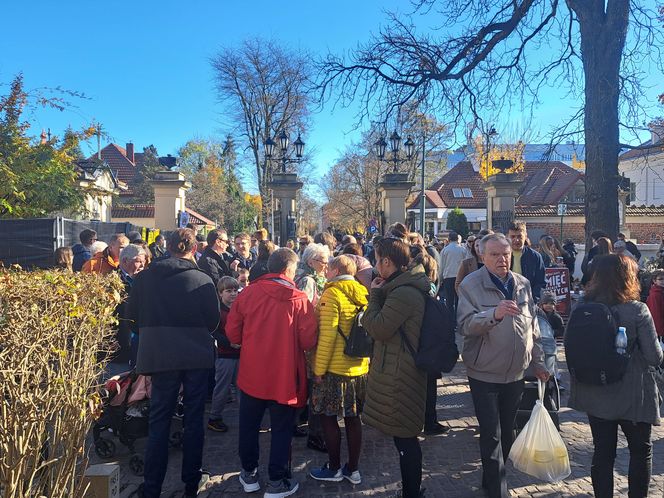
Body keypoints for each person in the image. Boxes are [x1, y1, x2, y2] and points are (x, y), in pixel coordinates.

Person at [128, 228, 219, 498]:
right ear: (193, 249)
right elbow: (213, 322)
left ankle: (152, 486)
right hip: (195, 356)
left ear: (167, 247)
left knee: (159, 420)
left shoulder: (145, 279)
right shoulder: (201, 278)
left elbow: (131, 317)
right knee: (193, 419)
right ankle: (192, 480)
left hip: (159, 354)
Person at [457, 233, 548, 498]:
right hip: (484, 372)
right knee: (491, 434)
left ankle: (490, 481)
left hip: (516, 373)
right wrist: (493, 315)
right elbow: (464, 325)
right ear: (482, 256)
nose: (502, 259)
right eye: (495, 254)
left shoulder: (523, 284)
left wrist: (539, 363)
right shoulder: (471, 285)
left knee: (507, 433)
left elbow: (533, 328)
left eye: (505, 254)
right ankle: (498, 491)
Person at [226, 248, 318, 497]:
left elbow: (232, 332)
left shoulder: (249, 293)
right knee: (281, 430)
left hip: (252, 373)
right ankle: (276, 481)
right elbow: (308, 340)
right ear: (288, 269)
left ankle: (249, 473)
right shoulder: (299, 299)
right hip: (285, 375)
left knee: (248, 426)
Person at [569, 254, 663, 497]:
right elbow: (654, 357)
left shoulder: (582, 306)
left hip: (595, 391)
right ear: (628, 278)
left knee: (602, 452)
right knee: (641, 451)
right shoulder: (637, 310)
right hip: (632, 394)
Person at [361, 238, 430, 498]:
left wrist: (374, 294)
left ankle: (412, 492)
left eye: (377, 259)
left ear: (386, 262)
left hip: (402, 371)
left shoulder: (403, 292)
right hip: (399, 366)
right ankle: (411, 490)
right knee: (404, 435)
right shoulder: (402, 286)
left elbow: (378, 327)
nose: (375, 264)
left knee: (405, 437)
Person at [308, 255, 368, 484]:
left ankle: (333, 467)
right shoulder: (362, 292)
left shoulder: (332, 293)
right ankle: (353, 469)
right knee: (354, 419)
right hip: (359, 366)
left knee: (327, 417)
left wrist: (318, 369)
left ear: (334, 270)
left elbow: (328, 335)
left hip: (335, 368)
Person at [105, 244, 148, 380]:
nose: (142, 265)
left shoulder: (143, 280)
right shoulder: (112, 281)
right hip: (121, 341)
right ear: (125, 261)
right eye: (138, 261)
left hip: (140, 340)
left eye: (143, 262)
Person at [208, 276, 240, 433]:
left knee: (243, 388)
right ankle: (214, 417)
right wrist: (228, 343)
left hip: (241, 355)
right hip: (225, 355)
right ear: (220, 293)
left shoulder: (240, 308)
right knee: (222, 388)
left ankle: (247, 416)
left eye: (235, 290)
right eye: (229, 291)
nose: (233, 294)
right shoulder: (218, 311)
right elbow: (214, 332)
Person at [507, 221, 545, 301]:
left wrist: (533, 299)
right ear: (507, 236)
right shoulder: (502, 255)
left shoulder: (535, 257)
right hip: (506, 301)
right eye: (512, 236)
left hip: (528, 301)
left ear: (525, 236)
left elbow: (540, 282)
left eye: (519, 236)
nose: (516, 240)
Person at [438, 231, 468, 322]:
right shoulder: (463, 249)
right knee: (459, 300)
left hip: (448, 277)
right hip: (460, 278)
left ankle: (450, 321)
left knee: (449, 301)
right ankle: (459, 320)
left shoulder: (445, 250)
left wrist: (440, 279)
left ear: (449, 239)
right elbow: (466, 264)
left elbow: (441, 265)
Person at [646, 269, 664, 343]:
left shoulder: (661, 291)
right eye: (661, 279)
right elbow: (656, 316)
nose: (663, 281)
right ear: (654, 281)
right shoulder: (655, 295)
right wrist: (662, 332)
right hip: (660, 331)